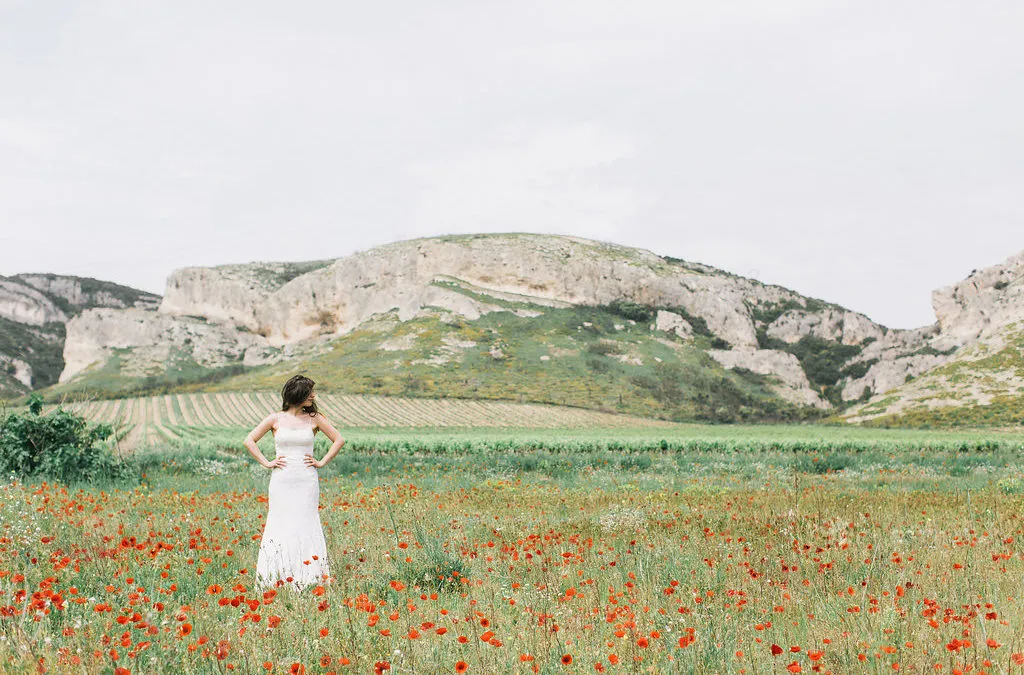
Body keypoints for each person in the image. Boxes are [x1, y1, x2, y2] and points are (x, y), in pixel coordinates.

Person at [244, 374, 345, 591]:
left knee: (306, 521)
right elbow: (249, 440)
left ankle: (309, 578)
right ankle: (275, 576)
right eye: (309, 393)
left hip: (306, 479)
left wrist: (322, 461)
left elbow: (339, 439)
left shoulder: (315, 418)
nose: (313, 396)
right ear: (298, 394)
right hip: (282, 480)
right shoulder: (275, 419)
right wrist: (267, 462)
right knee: (280, 521)